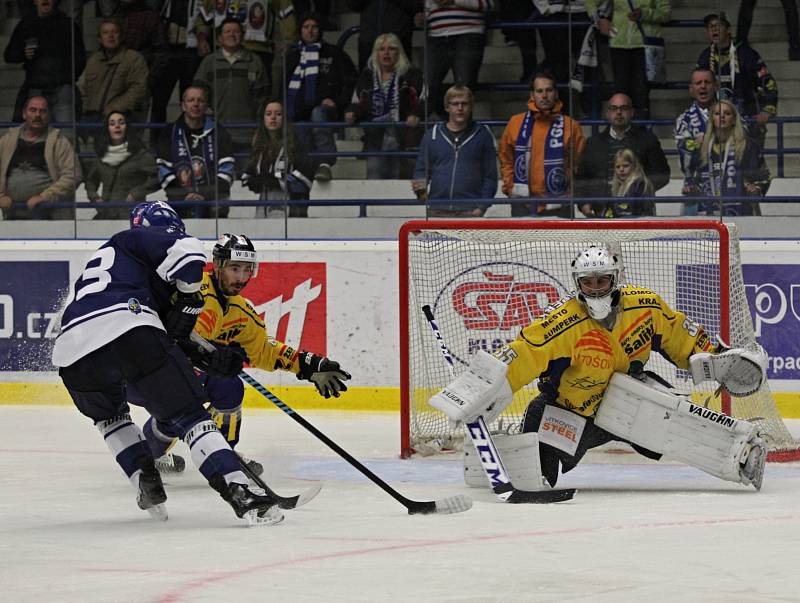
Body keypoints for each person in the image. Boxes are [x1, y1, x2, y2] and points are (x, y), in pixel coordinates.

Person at [430, 244, 768, 492]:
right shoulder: (560, 324)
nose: (595, 289)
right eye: (587, 282)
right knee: (536, 478)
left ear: (616, 279)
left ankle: (743, 457)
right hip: (568, 413)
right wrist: (484, 391)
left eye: (602, 281)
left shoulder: (644, 307)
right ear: (578, 283)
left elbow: (681, 336)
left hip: (627, 401)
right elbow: (523, 354)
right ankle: (485, 458)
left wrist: (717, 358)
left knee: (675, 415)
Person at [51, 201, 284, 526]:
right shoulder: (136, 240)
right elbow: (189, 257)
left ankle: (144, 479)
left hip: (72, 353)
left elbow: (170, 334)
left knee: (112, 419)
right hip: (129, 330)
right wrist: (190, 296)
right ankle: (243, 494)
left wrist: (209, 355)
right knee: (191, 417)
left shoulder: (117, 267)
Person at [137, 233, 351, 475]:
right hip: (150, 372)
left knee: (229, 386)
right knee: (192, 395)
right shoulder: (195, 293)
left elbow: (263, 351)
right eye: (234, 268)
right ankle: (150, 453)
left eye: (247, 270)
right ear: (217, 266)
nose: (241, 278)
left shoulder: (240, 309)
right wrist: (216, 354)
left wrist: (306, 365)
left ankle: (224, 453)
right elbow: (184, 345)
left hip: (183, 375)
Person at [498, 71, 585, 217]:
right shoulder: (515, 123)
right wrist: (510, 187)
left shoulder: (571, 126)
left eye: (549, 90)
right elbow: (505, 159)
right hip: (522, 203)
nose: (544, 96)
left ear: (556, 93)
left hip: (560, 203)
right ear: (532, 95)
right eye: (539, 91)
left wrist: (570, 191)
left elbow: (577, 165)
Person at [284, 12, 358, 182]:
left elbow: (351, 82)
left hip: (328, 111)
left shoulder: (334, 53)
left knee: (318, 113)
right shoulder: (292, 56)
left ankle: (324, 163)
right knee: (301, 125)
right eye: (306, 27)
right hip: (299, 112)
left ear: (320, 30)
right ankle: (306, 169)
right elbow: (283, 86)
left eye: (314, 27)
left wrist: (337, 102)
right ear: (300, 31)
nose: (310, 31)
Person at [575, 92, 669, 217]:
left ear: (632, 112)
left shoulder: (647, 140)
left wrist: (639, 189)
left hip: (639, 212)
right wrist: (583, 203)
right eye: (614, 108)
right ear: (607, 113)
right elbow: (581, 178)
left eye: (624, 108)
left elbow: (662, 174)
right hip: (601, 213)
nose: (618, 112)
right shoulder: (593, 143)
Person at [345, 33, 424, 180]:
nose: (386, 53)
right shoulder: (367, 76)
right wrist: (352, 113)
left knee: (401, 184)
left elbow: (425, 101)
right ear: (376, 53)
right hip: (375, 138)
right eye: (382, 49)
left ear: (399, 52)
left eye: (391, 49)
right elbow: (357, 103)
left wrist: (416, 114)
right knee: (374, 182)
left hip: (404, 137)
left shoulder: (412, 74)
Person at [696, 11, 778, 150]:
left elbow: (769, 85)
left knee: (750, 168)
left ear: (728, 30)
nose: (714, 29)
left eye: (718, 25)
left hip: (747, 119)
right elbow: (697, 90)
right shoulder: (704, 57)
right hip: (716, 123)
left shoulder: (747, 54)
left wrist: (767, 111)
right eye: (710, 26)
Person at [411, 84, 497, 217]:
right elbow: (421, 171)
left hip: (470, 210)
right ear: (447, 107)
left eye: (465, 104)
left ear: (471, 106)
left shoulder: (483, 135)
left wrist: (481, 207)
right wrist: (423, 197)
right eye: (455, 104)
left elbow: (490, 176)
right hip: (437, 210)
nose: (460, 108)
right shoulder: (432, 135)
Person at [194, 17, 270, 165]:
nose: (232, 35)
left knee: (246, 184)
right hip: (216, 137)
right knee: (218, 183)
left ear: (242, 35)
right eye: (227, 32)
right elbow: (196, 94)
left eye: (236, 31)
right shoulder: (209, 62)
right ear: (220, 38)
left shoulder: (254, 61)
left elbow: (264, 101)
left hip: (247, 136)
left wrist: (260, 131)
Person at [156, 82, 235, 218]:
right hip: (179, 203)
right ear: (183, 105)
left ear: (206, 106)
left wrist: (204, 195)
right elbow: (163, 169)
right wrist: (184, 195)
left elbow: (227, 169)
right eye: (191, 100)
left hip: (214, 203)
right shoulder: (170, 132)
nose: (196, 104)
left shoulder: (219, 131)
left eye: (200, 100)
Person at [3, 0, 86, 124]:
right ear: (34, 1)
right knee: (33, 133)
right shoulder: (26, 24)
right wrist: (23, 53)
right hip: (36, 87)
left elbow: (80, 57)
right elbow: (9, 55)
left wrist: (69, 78)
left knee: (65, 133)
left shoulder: (68, 25)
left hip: (62, 87)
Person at [585, 0, 671, 118]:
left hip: (645, 45)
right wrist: (599, 20)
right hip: (619, 44)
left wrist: (644, 14)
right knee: (621, 92)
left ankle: (640, 131)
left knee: (641, 92)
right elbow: (590, 2)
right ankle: (623, 131)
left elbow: (666, 13)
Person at [0, 95, 81, 220]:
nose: (37, 115)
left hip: (50, 216)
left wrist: (46, 197)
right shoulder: (6, 140)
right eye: (33, 110)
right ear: (24, 114)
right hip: (11, 214)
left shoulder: (60, 142)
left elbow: (73, 174)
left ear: (48, 115)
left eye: (42, 111)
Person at [689, 99, 769, 217]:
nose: (722, 116)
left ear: (734, 119)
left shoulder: (747, 145)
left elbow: (764, 176)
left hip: (742, 211)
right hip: (709, 212)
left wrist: (756, 189)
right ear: (712, 119)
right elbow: (696, 180)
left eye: (727, 113)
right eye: (717, 114)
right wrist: (692, 189)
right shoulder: (703, 148)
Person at [242, 97, 317, 218]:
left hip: (292, 211)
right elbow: (248, 178)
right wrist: (259, 180)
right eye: (268, 114)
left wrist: (272, 180)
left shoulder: (297, 145)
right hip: (264, 210)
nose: (273, 117)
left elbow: (303, 181)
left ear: (285, 118)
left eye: (278, 114)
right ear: (263, 119)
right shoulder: (259, 147)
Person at [423, 0, 496, 119]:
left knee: (464, 88)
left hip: (468, 32)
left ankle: (463, 132)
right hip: (436, 34)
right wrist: (424, 14)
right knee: (427, 86)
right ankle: (448, 126)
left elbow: (488, 4)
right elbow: (428, 5)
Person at [84, 111, 160, 220]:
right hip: (107, 215)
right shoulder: (101, 156)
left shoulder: (139, 154)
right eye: (112, 123)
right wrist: (95, 198)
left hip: (133, 215)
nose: (117, 126)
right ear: (107, 129)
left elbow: (158, 177)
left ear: (127, 127)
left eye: (121, 122)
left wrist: (136, 193)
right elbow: (90, 182)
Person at [77, 18, 150, 126]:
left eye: (115, 32)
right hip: (94, 118)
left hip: (123, 117)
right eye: (105, 33)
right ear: (99, 39)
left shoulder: (133, 58)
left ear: (121, 36)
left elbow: (139, 89)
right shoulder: (93, 60)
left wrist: (116, 107)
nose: (110, 36)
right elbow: (84, 88)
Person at [673, 67, 718, 216]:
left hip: (729, 184)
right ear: (691, 89)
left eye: (707, 82)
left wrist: (707, 141)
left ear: (716, 86)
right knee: (694, 238)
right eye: (698, 83)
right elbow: (683, 151)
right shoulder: (684, 120)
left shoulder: (731, 113)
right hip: (696, 187)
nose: (703, 86)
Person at [348, 0, 424, 71]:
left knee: (401, 80)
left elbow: (418, 5)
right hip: (368, 40)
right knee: (367, 81)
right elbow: (352, 4)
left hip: (397, 40)